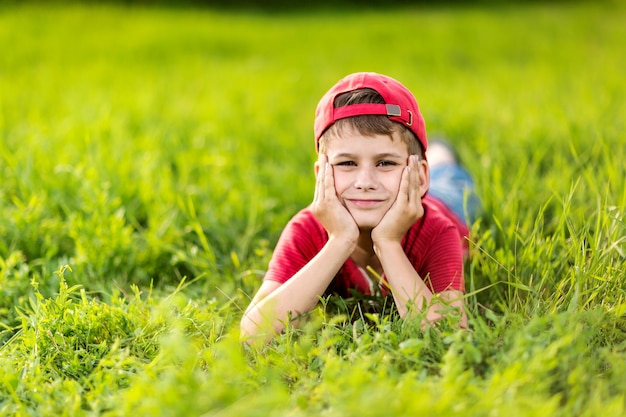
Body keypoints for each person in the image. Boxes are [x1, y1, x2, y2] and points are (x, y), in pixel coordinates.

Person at [240, 72, 478, 343]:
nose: (365, 182)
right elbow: (252, 334)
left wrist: (388, 242)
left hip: (443, 201)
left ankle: (438, 154)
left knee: (450, 178)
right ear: (321, 175)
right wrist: (339, 241)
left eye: (385, 163)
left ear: (419, 176)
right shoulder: (306, 229)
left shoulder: (437, 229)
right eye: (347, 163)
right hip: (395, 196)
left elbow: (448, 336)